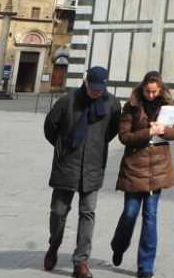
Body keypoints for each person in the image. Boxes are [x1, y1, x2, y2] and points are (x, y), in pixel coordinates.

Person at [43, 67, 121, 278]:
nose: (96, 92)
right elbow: (50, 127)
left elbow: (112, 130)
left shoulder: (111, 103)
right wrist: (62, 147)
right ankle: (54, 245)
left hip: (93, 166)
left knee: (88, 213)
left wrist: (97, 146)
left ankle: (81, 262)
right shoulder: (67, 101)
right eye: (93, 88)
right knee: (58, 212)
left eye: (100, 89)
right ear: (86, 83)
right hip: (67, 164)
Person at [111, 71, 174, 278]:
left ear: (160, 90)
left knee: (150, 217)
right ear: (142, 88)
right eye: (147, 91)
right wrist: (147, 133)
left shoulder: (169, 107)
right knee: (130, 214)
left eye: (154, 92)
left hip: (158, 169)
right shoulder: (132, 106)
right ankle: (119, 245)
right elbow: (124, 137)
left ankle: (145, 266)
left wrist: (163, 131)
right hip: (134, 168)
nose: (151, 95)